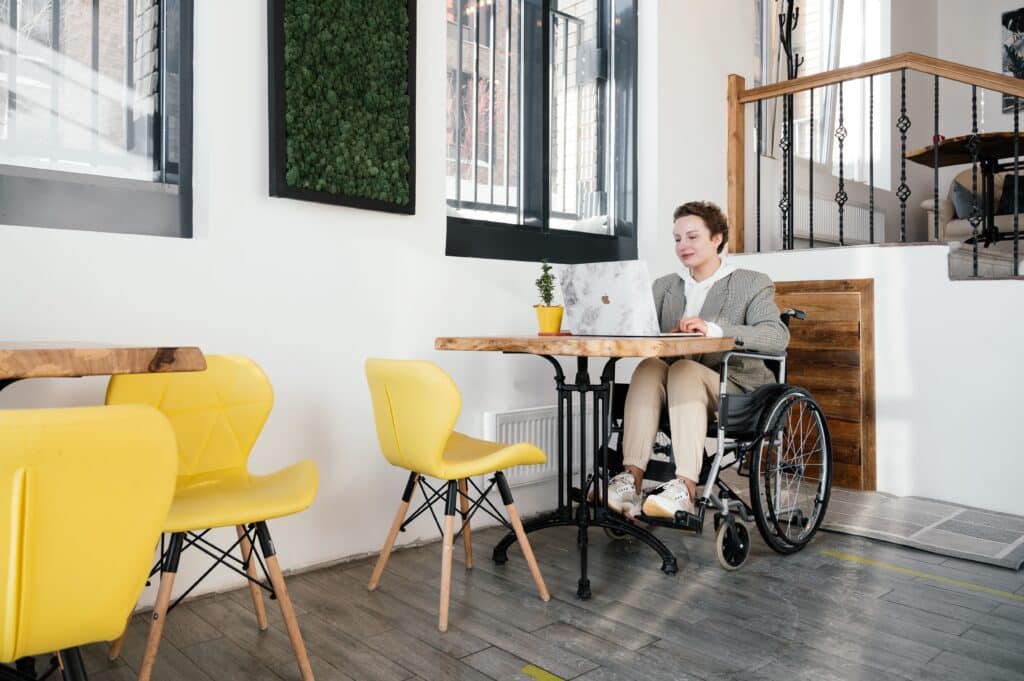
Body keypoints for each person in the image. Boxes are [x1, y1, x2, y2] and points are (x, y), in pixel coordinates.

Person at [607, 201, 790, 519]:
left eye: (692, 237)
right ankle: (630, 482)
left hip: (733, 387)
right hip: (676, 386)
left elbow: (777, 337)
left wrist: (713, 329)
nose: (683, 246)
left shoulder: (750, 282)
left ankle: (684, 489)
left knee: (683, 370)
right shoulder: (665, 286)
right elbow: (642, 333)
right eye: (677, 239)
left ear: (717, 237)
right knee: (650, 366)